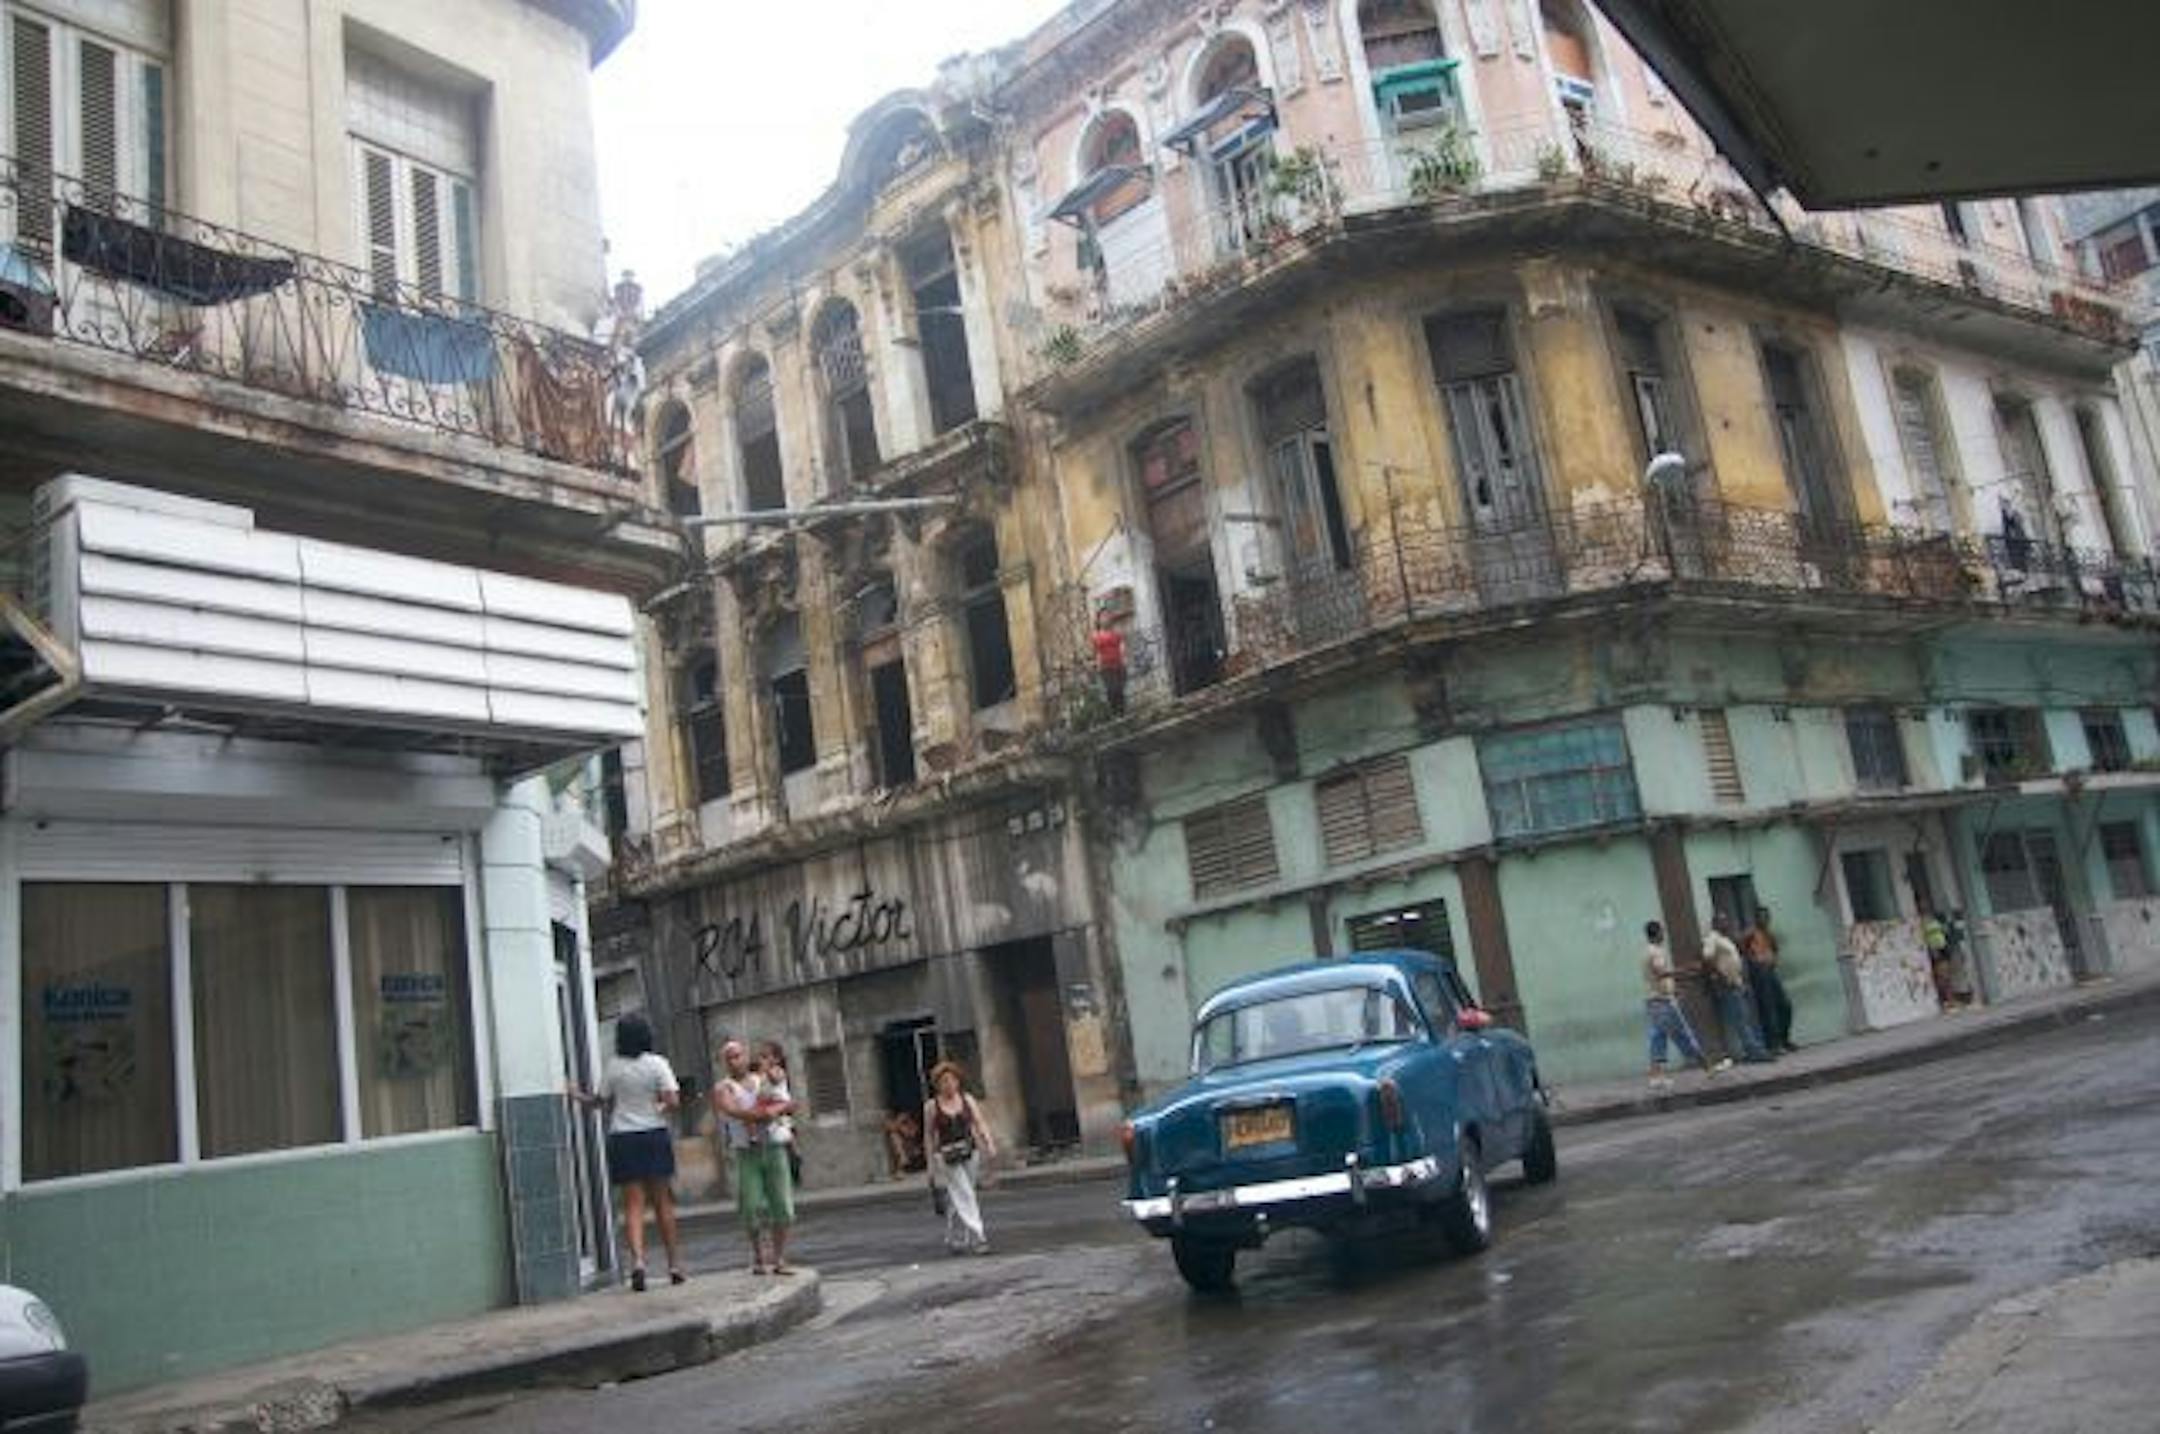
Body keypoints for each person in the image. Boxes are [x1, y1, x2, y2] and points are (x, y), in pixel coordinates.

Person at [568, 1015, 684, 1292]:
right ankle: (674, 1265)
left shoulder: (614, 1067)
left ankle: (638, 1263)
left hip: (623, 1136)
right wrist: (658, 1108)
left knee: (633, 1204)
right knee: (662, 1202)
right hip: (653, 1134)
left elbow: (599, 1101)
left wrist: (575, 1094)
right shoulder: (657, 1064)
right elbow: (673, 1099)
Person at [711, 1039, 798, 1276]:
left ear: (745, 1055)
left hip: (773, 1147)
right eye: (729, 1057)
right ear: (723, 1062)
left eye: (738, 1055)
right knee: (750, 1207)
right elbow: (731, 1109)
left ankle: (779, 1257)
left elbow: (787, 1102)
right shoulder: (723, 1087)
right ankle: (759, 1256)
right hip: (746, 1152)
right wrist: (765, 1114)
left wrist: (775, 1109)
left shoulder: (764, 1078)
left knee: (783, 1206)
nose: (734, 1060)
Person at [923, 1060, 997, 1255]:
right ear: (937, 1084)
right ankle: (978, 1237)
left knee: (962, 1195)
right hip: (947, 1157)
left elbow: (980, 1123)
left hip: (970, 1152)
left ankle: (952, 1236)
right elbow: (929, 1136)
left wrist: (989, 1143)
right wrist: (930, 1165)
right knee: (965, 1193)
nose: (949, 1085)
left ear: (958, 1081)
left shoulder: (967, 1100)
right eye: (944, 1081)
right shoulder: (931, 1107)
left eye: (952, 1080)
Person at [1643, 921, 1717, 1089]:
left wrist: (1675, 987)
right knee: (1682, 1033)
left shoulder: (1648, 951)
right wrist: (1687, 970)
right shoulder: (1656, 952)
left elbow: (1658, 977)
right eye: (1662, 932)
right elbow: (1662, 973)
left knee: (1658, 1036)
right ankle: (1706, 1066)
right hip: (1662, 1002)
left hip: (1656, 1000)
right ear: (1657, 934)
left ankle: (1656, 1076)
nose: (1664, 935)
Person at [1705, 913, 1772, 1064]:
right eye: (1723, 921)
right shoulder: (1713, 938)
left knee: (1744, 1017)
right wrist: (1720, 977)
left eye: (1726, 920)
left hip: (1736, 983)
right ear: (1716, 923)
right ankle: (1755, 1052)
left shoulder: (1724, 938)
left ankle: (1753, 1049)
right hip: (1727, 985)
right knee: (1741, 1019)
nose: (1726, 923)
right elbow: (1708, 958)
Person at [1742, 905, 1798, 1054]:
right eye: (1761, 917)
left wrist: (1772, 960)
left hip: (1771, 971)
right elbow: (1743, 950)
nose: (1765, 919)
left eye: (1766, 916)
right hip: (1760, 974)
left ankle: (1784, 1039)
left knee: (1785, 1006)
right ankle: (1774, 1044)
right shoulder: (1750, 933)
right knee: (1768, 1009)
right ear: (1756, 919)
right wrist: (1755, 963)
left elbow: (1775, 949)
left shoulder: (1769, 934)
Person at [760, 1042, 803, 1188]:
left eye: (766, 1056)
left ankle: (795, 1158)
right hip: (773, 1111)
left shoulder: (778, 1071)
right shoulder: (764, 1075)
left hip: (782, 1106)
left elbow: (775, 1079)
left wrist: (765, 1071)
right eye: (762, 1056)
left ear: (776, 1059)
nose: (763, 1060)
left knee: (786, 1135)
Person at [1091, 609, 1128, 716]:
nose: (1105, 618)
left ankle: (1122, 714)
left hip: (1118, 664)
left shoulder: (1116, 632)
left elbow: (1122, 646)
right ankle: (1114, 713)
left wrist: (1124, 659)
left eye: (1107, 616)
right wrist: (1098, 666)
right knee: (1111, 690)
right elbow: (1097, 652)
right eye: (1103, 617)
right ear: (1098, 620)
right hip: (1106, 667)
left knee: (1119, 689)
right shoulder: (1096, 636)